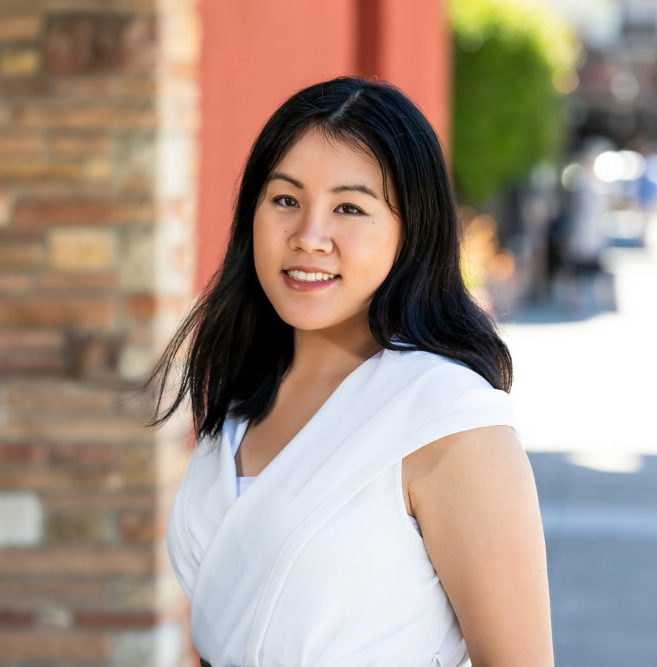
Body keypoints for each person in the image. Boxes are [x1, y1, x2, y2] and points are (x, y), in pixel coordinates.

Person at [148, 76, 553, 667]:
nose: (309, 237)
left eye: (349, 207)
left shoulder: (449, 419)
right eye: (285, 199)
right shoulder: (242, 394)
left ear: (410, 232)